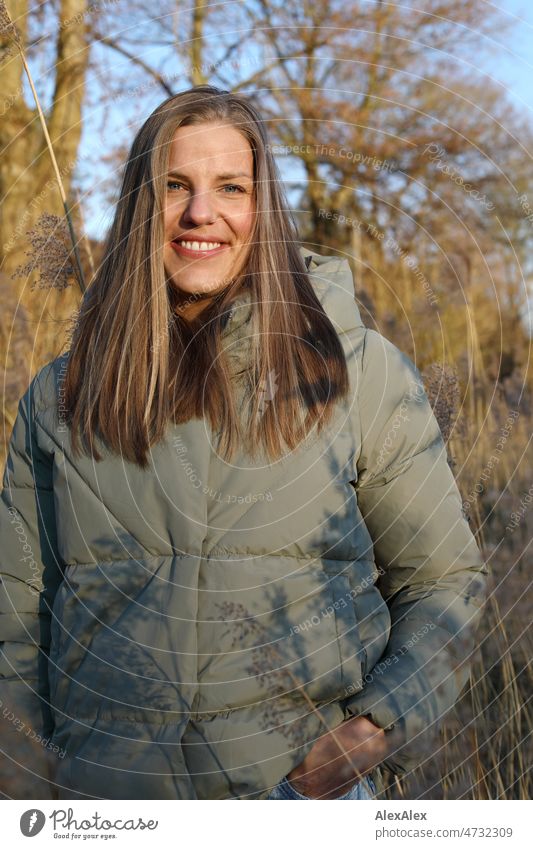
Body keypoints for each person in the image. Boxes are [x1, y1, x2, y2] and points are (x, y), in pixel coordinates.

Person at [0, 85, 488, 801]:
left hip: (297, 802)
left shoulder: (356, 371)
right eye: (175, 186)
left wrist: (367, 732)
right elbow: (15, 612)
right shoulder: (61, 394)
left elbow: (444, 581)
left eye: (230, 186)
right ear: (141, 205)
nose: (201, 212)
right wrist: (25, 784)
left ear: (264, 211)